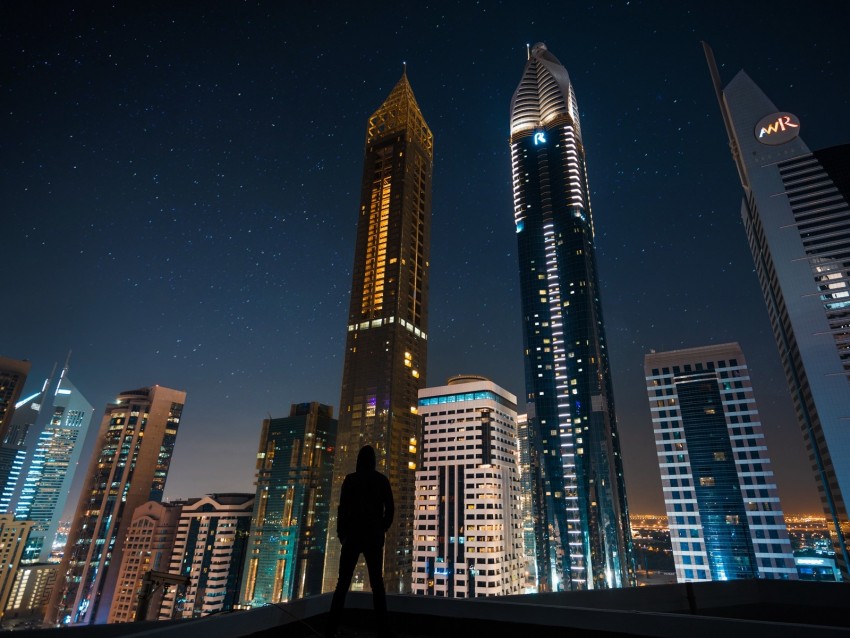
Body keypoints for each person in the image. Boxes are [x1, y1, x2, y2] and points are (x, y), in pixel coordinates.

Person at [326, 445, 394, 638]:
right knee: (377, 584)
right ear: (373, 460)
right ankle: (384, 630)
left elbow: (342, 509)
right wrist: (382, 528)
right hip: (372, 537)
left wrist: (342, 534)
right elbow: (390, 509)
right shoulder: (381, 481)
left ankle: (330, 629)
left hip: (353, 537)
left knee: (342, 584)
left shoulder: (350, 480)